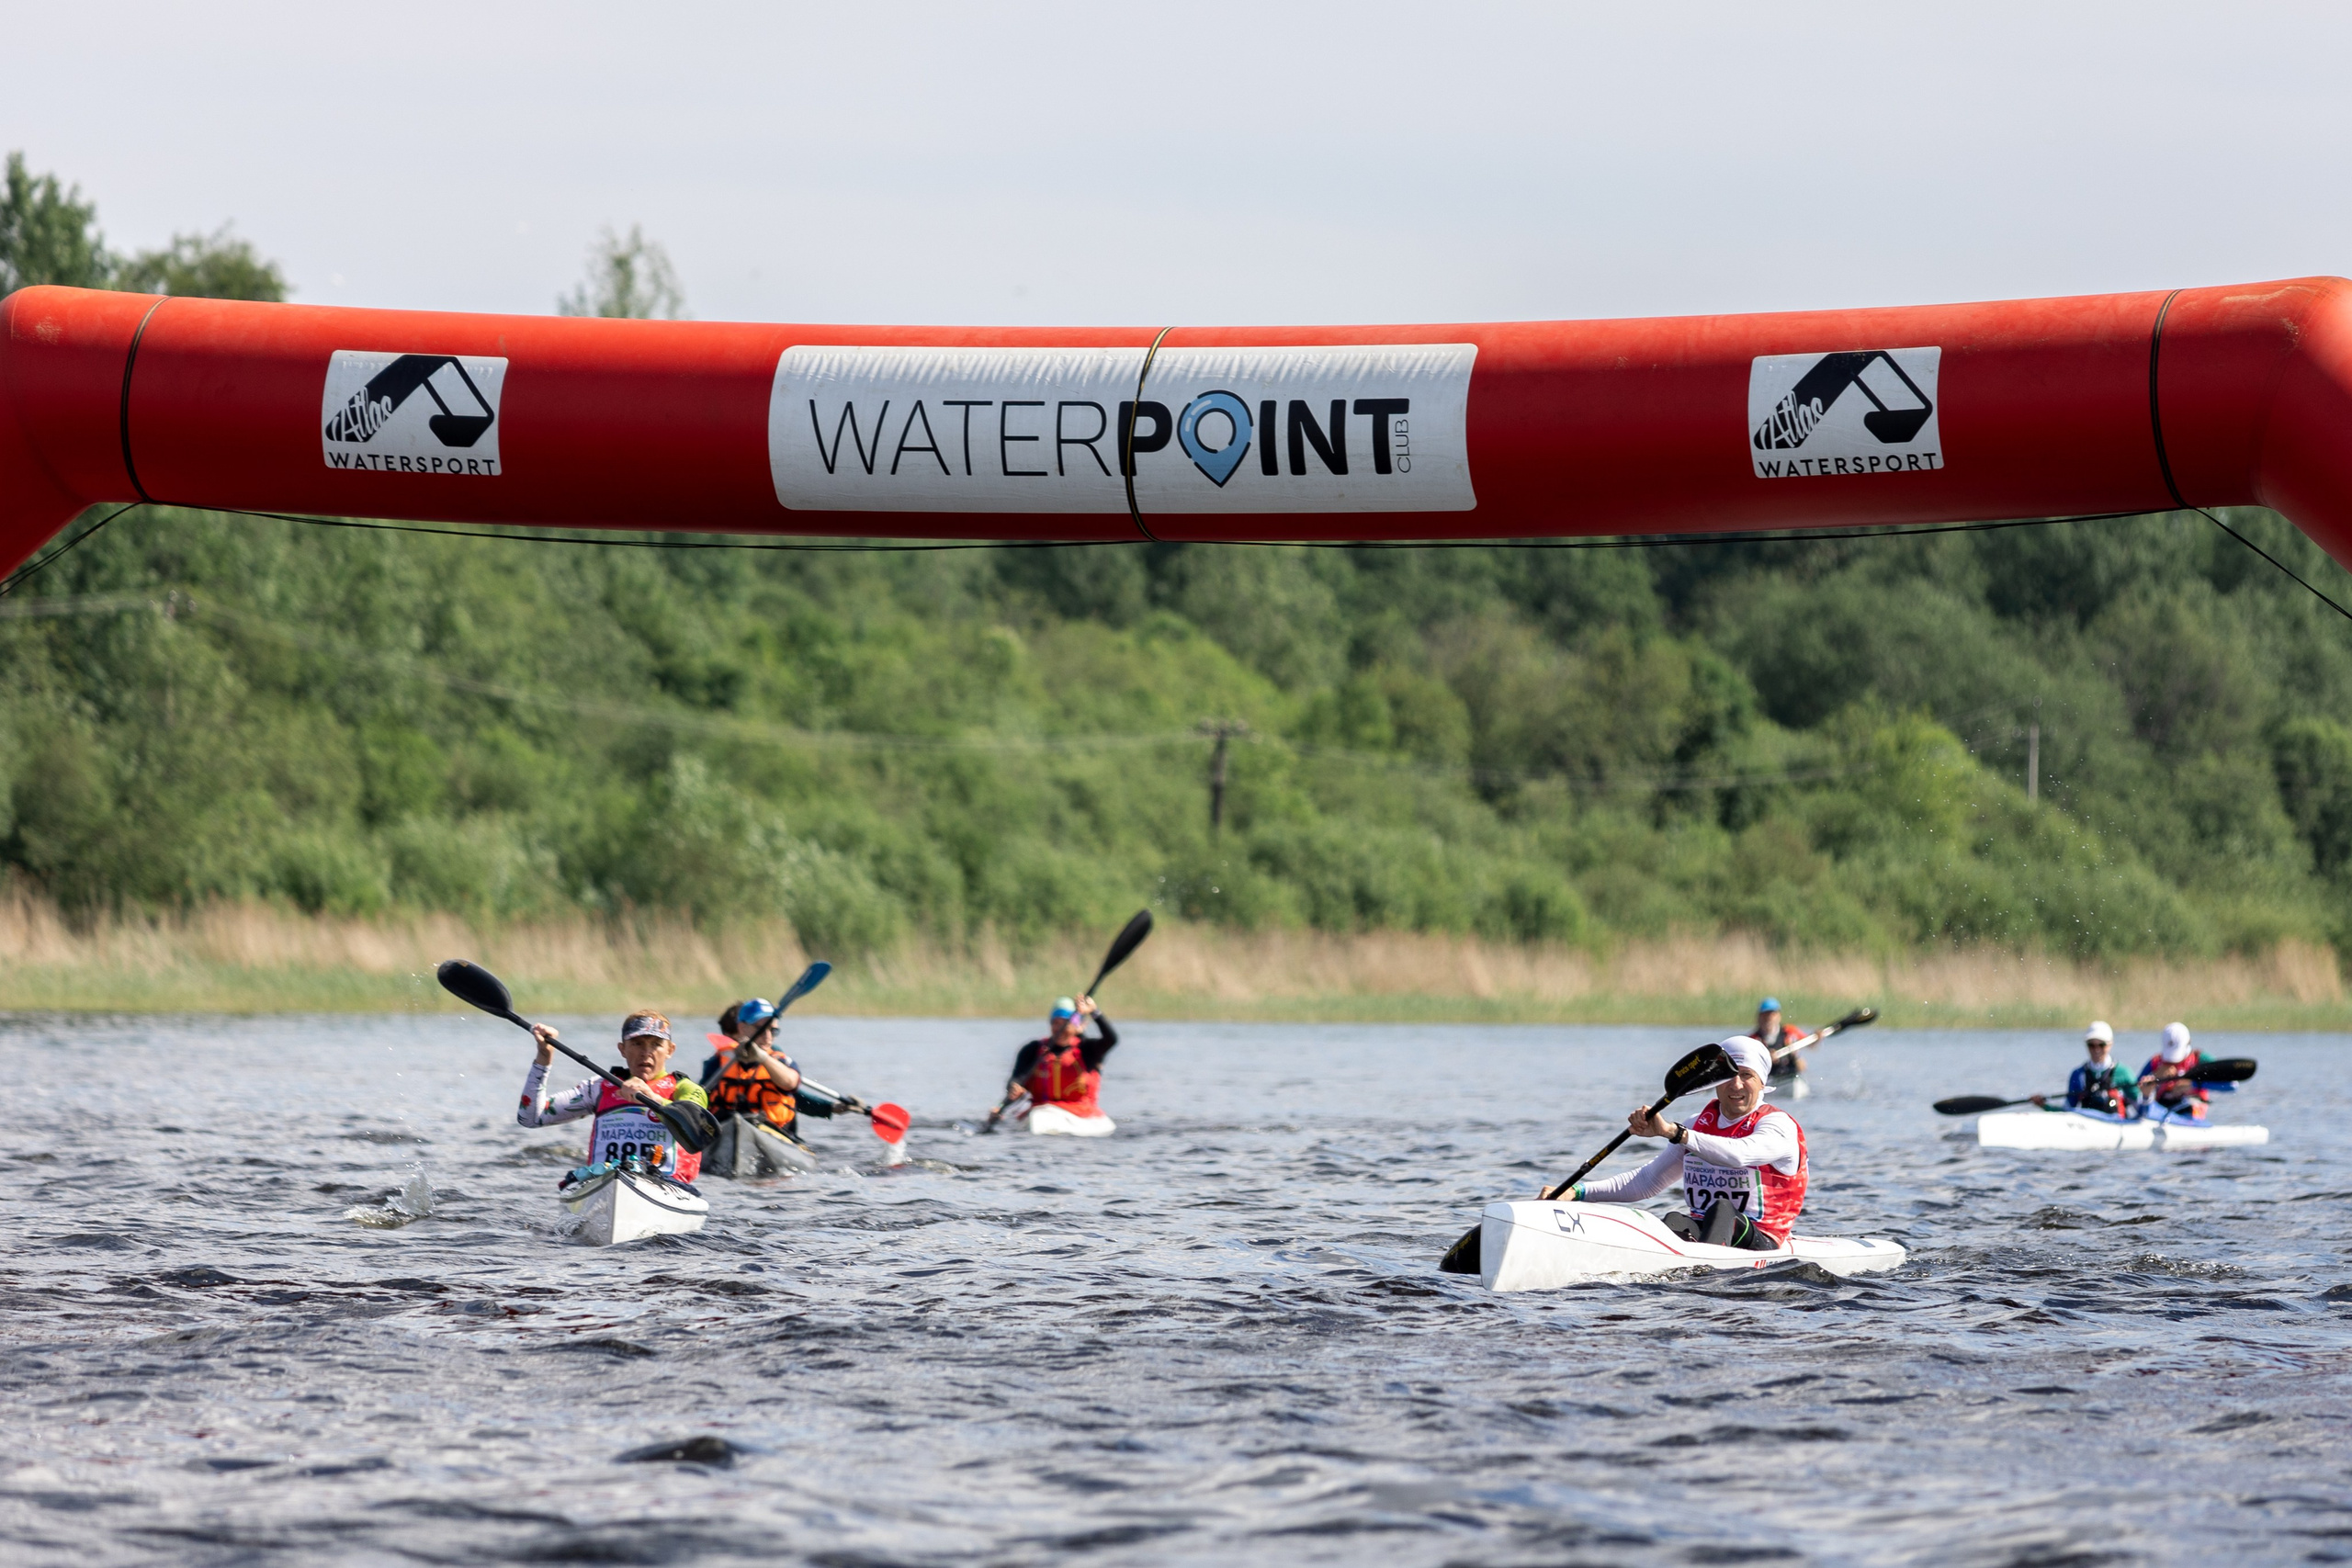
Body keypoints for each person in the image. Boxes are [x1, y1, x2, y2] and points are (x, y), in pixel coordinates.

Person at [1565, 1036, 1804, 1252]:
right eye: (1729, 1075)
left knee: (1722, 1210)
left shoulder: (1778, 1126)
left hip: (1762, 1239)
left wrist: (1674, 1132)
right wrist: (1577, 1192)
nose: (1736, 1084)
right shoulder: (1697, 1124)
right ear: (1716, 1080)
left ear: (1762, 1082)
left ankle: (1702, 1273)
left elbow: (1740, 1154)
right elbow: (1647, 1181)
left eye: (1747, 1075)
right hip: (1708, 1232)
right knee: (1674, 1220)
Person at [516, 1009, 710, 1180]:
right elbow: (531, 1117)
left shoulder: (687, 1089)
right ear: (622, 1049)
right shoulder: (598, 1088)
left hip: (668, 1186)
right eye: (637, 1043)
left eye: (656, 1044)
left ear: (670, 1050)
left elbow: (696, 1126)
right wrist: (544, 1057)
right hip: (604, 1183)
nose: (646, 1052)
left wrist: (653, 1098)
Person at [1000, 996, 1117, 1121]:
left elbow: (1111, 1039)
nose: (1059, 1029)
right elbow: (1018, 1077)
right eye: (1056, 1023)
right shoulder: (1032, 1049)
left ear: (1076, 1027)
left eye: (1065, 1024)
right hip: (1041, 1111)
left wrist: (1094, 1011)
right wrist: (1013, 1087)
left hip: (1081, 1114)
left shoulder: (1087, 1050)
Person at [2037, 1021, 2138, 1117]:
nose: (2096, 1050)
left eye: (2101, 1045)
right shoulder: (2078, 1074)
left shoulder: (2124, 1072)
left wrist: (2147, 1096)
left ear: (2110, 1045)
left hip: (2117, 1124)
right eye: (2091, 1045)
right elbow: (2067, 1111)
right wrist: (2044, 1106)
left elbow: (2142, 1108)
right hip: (2087, 1127)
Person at [2141, 1021, 2208, 1120]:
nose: (2172, 1061)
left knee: (2190, 1106)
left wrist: (2192, 1084)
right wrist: (2154, 1079)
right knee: (2146, 1107)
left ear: (2189, 1042)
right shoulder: (2156, 1062)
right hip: (2160, 1110)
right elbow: (2133, 1091)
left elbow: (2230, 1086)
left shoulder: (2200, 1059)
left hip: (2191, 1112)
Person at [1751, 998, 1809, 1088]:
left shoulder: (1789, 1032)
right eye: (1765, 1015)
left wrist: (1795, 1054)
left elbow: (1811, 1045)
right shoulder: (1753, 1040)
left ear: (1779, 1016)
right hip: (1770, 1080)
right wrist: (1766, 1059)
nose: (1769, 1019)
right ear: (1759, 1017)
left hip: (1791, 1078)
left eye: (1772, 1015)